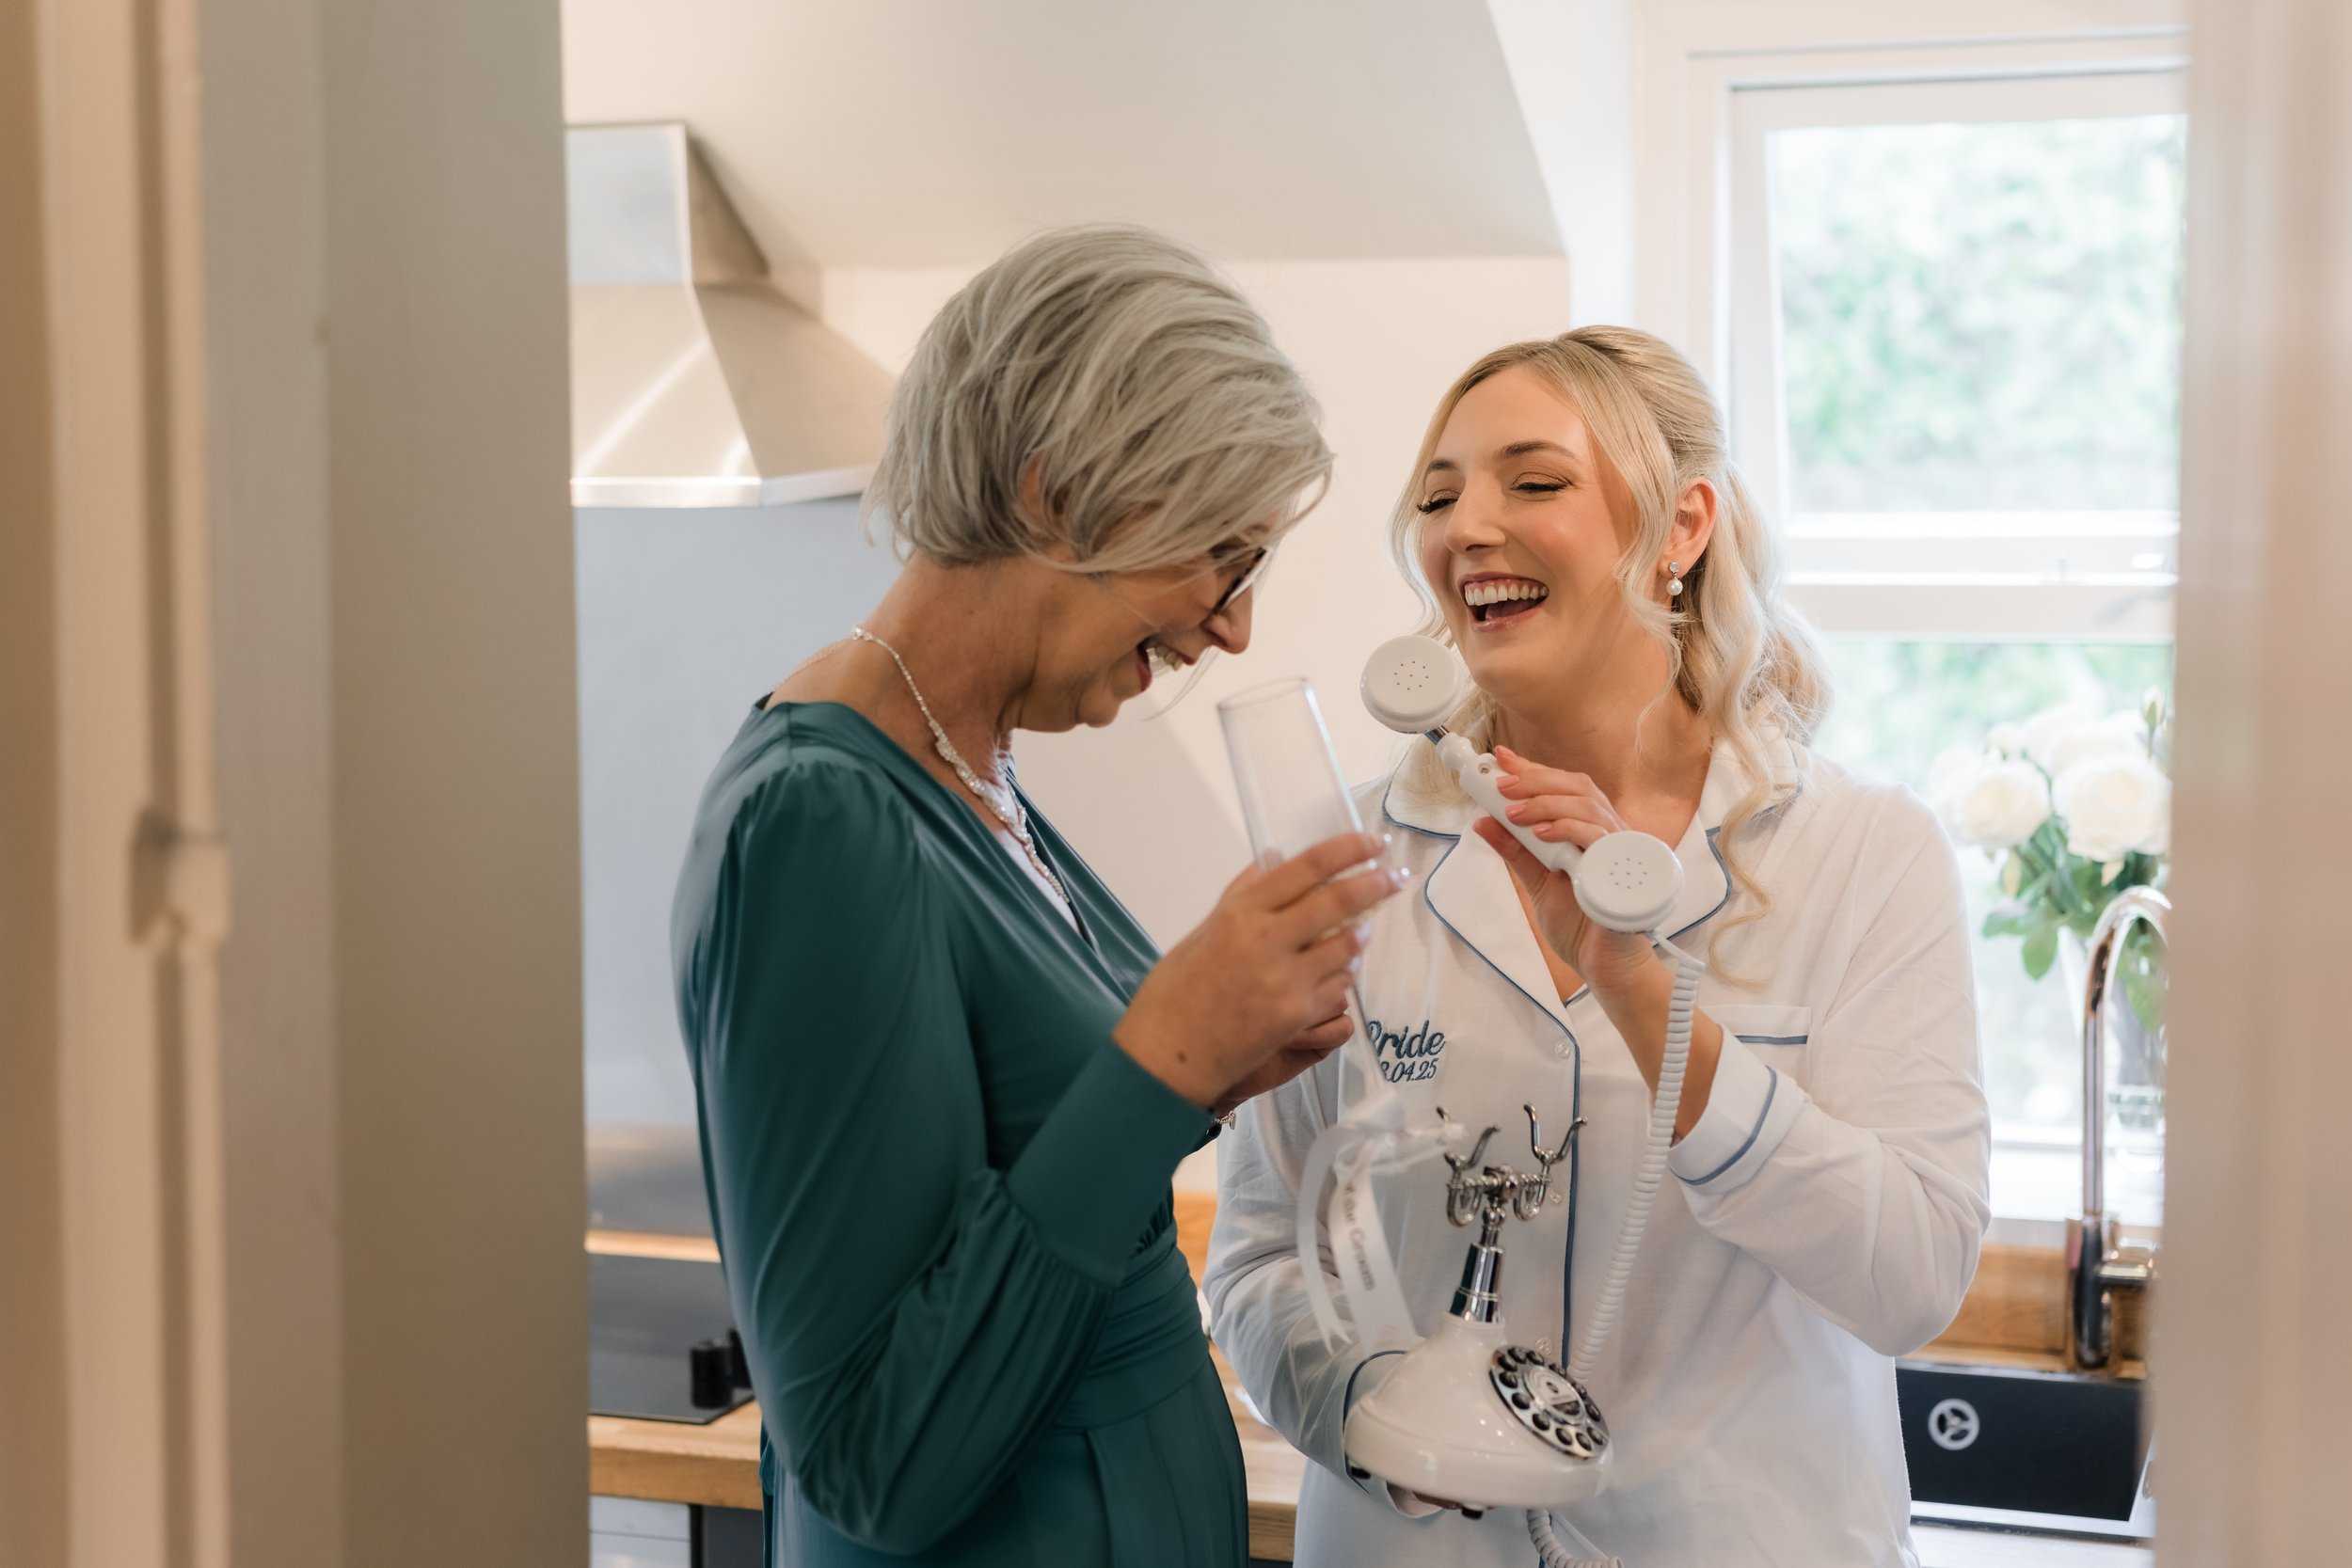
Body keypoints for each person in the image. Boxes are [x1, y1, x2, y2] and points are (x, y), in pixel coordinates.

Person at [671, 225, 1406, 1568]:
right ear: (1059, 495)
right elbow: (870, 1455)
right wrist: (1167, 1055)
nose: (1233, 625)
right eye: (1223, 559)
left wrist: (1213, 1073)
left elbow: (1019, 1171)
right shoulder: (818, 817)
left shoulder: (972, 769)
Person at [1205, 326, 1992, 1567]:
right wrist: (1373, 1421)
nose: (1468, 526)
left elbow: (1911, 1278)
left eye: (1534, 480)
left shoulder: (1865, 855)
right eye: (1439, 493)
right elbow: (1257, 1255)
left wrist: (1641, 994)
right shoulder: (1344, 858)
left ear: (1679, 529)